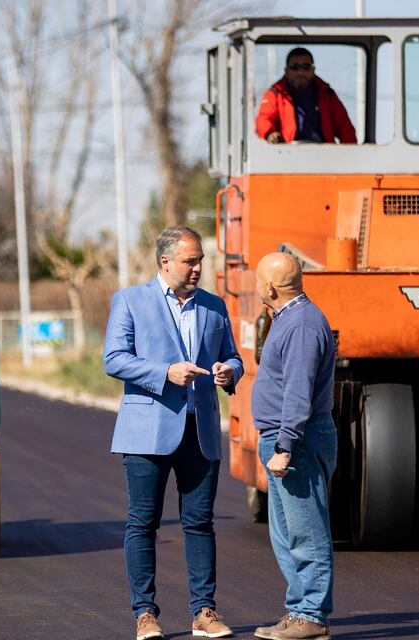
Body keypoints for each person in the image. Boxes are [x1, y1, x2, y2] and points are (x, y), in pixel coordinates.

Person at [103, 225, 244, 640]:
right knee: (142, 523)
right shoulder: (129, 300)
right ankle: (145, 614)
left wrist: (228, 371)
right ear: (166, 262)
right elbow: (114, 359)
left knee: (200, 523)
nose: (199, 267)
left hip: (199, 431)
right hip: (146, 431)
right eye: (191, 260)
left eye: (201, 259)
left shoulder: (215, 307)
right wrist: (164, 372)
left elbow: (234, 357)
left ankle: (204, 611)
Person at [251, 252, 337, 640]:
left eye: (258, 281)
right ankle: (299, 610)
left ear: (269, 287)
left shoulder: (301, 325)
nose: (256, 288)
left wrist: (285, 445)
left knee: (306, 532)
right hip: (284, 440)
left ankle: (312, 616)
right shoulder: (288, 320)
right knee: (286, 534)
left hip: (296, 443)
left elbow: (298, 393)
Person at [255, 47, 357, 145]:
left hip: (325, 157)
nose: (300, 72)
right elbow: (264, 118)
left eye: (306, 67)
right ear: (286, 71)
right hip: (287, 157)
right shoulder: (276, 93)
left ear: (313, 70)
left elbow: (345, 128)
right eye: (295, 68)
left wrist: (350, 156)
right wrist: (270, 134)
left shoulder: (327, 94)